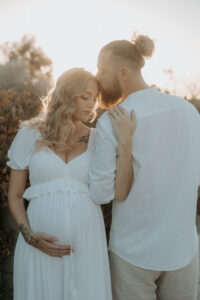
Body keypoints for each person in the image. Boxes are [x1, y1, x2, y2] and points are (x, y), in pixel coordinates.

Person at [7, 68, 136, 300]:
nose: (91, 105)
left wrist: (125, 142)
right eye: (84, 97)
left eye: (94, 99)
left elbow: (119, 190)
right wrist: (29, 236)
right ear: (66, 95)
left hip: (87, 246)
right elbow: (15, 195)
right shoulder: (29, 135)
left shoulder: (99, 138)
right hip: (38, 246)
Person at [89, 33, 200, 300]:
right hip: (182, 248)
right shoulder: (188, 112)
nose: (97, 78)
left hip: (132, 254)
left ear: (123, 73)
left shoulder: (110, 122)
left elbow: (101, 194)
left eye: (102, 70)